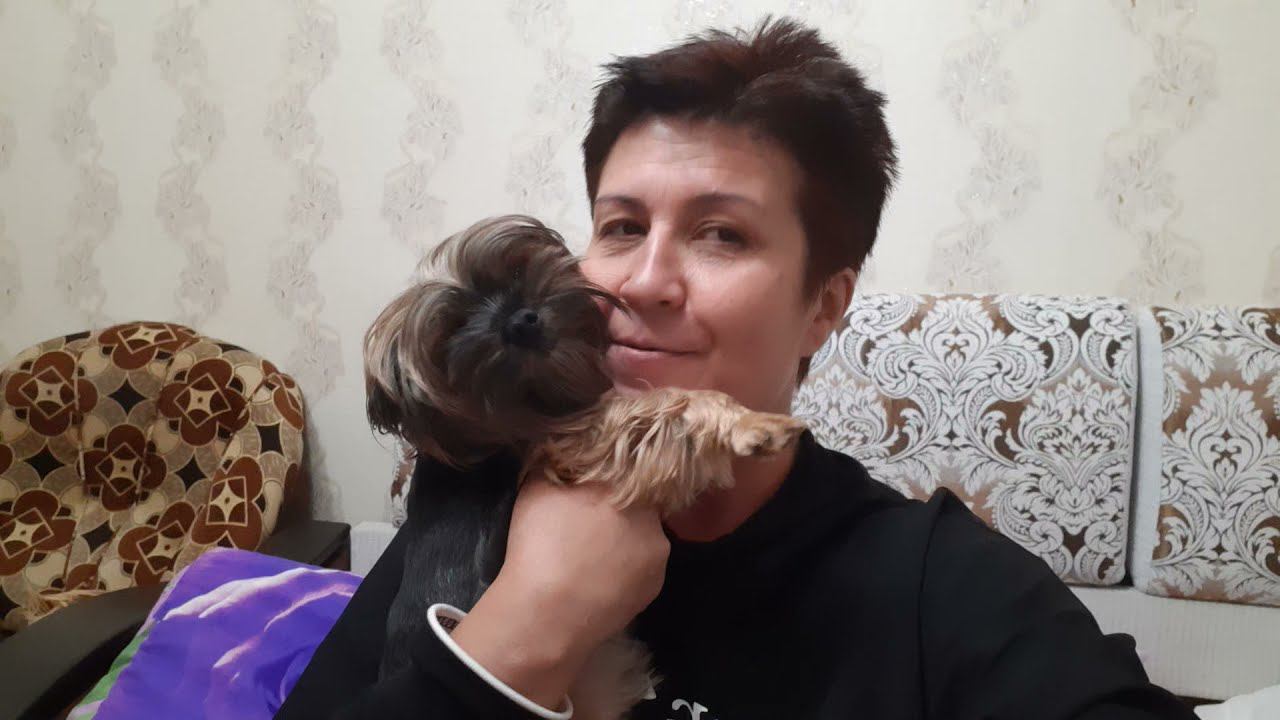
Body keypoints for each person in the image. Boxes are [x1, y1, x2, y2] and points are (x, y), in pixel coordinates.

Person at [277, 18, 1195, 720]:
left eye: (722, 234)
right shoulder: (475, 495)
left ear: (824, 305)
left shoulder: (935, 588)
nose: (643, 281)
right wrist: (524, 632)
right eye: (621, 226)